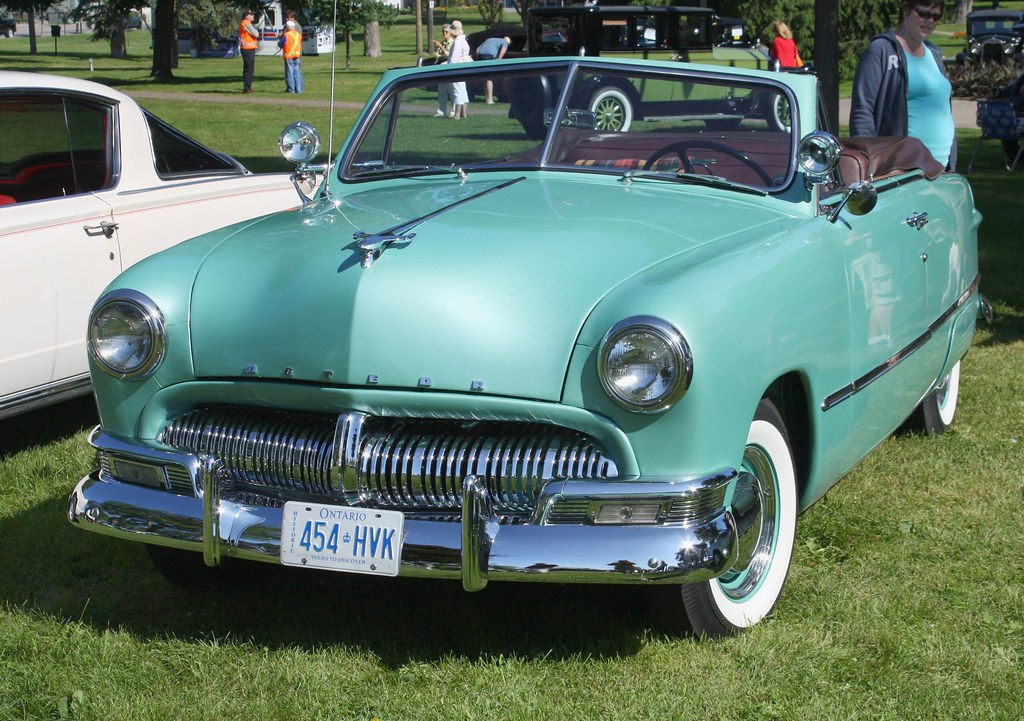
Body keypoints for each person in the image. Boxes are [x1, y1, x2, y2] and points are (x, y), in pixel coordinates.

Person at [850, 1, 956, 170]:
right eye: (923, 13)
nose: (930, 20)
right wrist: (869, 164)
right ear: (906, 10)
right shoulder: (881, 50)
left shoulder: (934, 53)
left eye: (936, 16)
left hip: (941, 169)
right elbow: (862, 112)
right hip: (901, 170)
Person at [476, 35, 510, 104]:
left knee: (485, 78)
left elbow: (477, 50)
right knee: (489, 78)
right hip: (489, 57)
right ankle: (490, 100)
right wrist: (498, 61)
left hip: (480, 56)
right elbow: (500, 57)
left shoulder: (490, 39)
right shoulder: (504, 42)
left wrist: (478, 59)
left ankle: (487, 98)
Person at [447, 20, 471, 119]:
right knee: (462, 90)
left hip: (456, 68)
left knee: (457, 90)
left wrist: (450, 68)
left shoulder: (457, 41)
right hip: (463, 67)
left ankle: (457, 114)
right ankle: (464, 113)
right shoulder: (464, 40)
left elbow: (454, 57)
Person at [433, 24, 454, 117]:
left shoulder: (453, 43)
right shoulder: (443, 43)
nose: (444, 33)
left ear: (450, 33)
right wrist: (442, 53)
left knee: (452, 90)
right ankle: (441, 111)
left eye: (446, 32)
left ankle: (453, 112)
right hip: (441, 67)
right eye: (443, 31)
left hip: (449, 67)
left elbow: (449, 56)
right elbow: (436, 55)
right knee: (441, 90)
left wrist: (441, 48)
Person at [239, 10, 259, 94]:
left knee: (248, 69)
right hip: (248, 48)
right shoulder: (246, 23)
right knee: (249, 69)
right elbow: (256, 34)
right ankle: (247, 88)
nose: (253, 16)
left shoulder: (244, 23)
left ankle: (247, 87)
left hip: (247, 48)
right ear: (247, 16)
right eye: (251, 15)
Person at [283, 19, 304, 93]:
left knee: (290, 73)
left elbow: (281, 44)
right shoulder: (299, 35)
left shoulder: (286, 35)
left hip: (289, 56)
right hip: (297, 55)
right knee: (297, 73)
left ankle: (291, 90)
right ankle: (299, 89)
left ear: (288, 27)